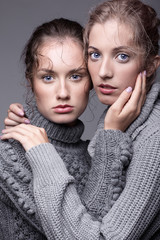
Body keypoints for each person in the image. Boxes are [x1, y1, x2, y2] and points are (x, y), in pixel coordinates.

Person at [0, 17, 145, 240]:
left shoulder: (95, 153)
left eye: (75, 76)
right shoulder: (9, 157)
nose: (63, 93)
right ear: (31, 82)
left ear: (92, 80)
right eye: (47, 77)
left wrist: (111, 134)